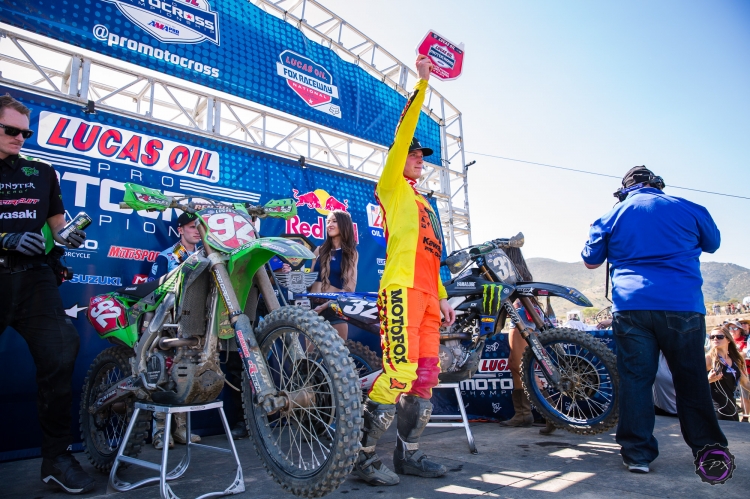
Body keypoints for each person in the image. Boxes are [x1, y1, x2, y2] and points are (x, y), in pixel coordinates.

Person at [352, 55, 456, 486]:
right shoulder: (391, 186)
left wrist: (445, 298)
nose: (418, 158)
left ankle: (408, 455)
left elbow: (434, 252)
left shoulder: (426, 203)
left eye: (421, 156)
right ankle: (361, 457)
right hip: (400, 291)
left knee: (426, 378)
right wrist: (423, 84)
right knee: (399, 373)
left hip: (429, 296)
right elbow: (403, 134)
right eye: (413, 154)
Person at [582, 166, 727, 474]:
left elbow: (591, 261)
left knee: (636, 381)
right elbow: (713, 244)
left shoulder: (611, 216)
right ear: (657, 185)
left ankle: (637, 454)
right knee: (691, 380)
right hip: (682, 306)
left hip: (632, 308)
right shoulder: (689, 208)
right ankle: (709, 451)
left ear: (624, 190)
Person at [0, 94, 94, 494]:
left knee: (61, 352)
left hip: (36, 278)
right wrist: (5, 238)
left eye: (26, 132)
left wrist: (66, 234)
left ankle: (56, 458)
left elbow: (57, 224)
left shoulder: (41, 172)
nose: (20, 138)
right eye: (10, 130)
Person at [148, 212, 202, 449]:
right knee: (162, 377)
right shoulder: (166, 257)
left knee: (187, 377)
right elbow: (152, 294)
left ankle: (180, 429)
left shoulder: (207, 258)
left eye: (199, 227)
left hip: (196, 327)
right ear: (180, 229)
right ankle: (160, 432)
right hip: (168, 326)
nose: (197, 231)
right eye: (192, 227)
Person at [498, 248, 556, 435]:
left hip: (522, 319)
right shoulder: (520, 268)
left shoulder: (509, 269)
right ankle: (522, 414)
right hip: (526, 318)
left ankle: (551, 413)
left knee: (522, 366)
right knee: (516, 365)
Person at [310, 209, 359, 340]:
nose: (329, 224)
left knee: (338, 358)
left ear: (344, 225)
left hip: (334, 309)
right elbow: (310, 281)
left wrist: (325, 305)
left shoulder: (351, 253)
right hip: (313, 310)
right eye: (328, 221)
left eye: (334, 221)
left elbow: (350, 288)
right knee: (309, 359)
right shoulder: (318, 250)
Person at [706, 325, 750, 421]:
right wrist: (708, 379)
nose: (715, 339)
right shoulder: (709, 359)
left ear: (728, 339)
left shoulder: (736, 359)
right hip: (716, 410)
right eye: (712, 337)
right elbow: (693, 383)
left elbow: (745, 382)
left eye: (719, 337)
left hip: (733, 409)